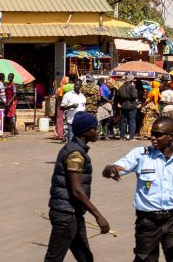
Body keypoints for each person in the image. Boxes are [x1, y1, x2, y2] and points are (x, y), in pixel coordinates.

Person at [102, 116, 173, 262]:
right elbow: (111, 170)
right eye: (152, 133)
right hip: (147, 222)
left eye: (158, 134)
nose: (152, 138)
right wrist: (109, 170)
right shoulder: (140, 155)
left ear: (171, 136)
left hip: (172, 220)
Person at [44, 112, 109, 262]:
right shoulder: (75, 154)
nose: (97, 131)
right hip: (66, 214)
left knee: (85, 257)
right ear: (86, 131)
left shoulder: (76, 149)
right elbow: (76, 190)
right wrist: (98, 215)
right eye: (94, 128)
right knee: (54, 258)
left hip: (73, 214)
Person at [117, 76, 139, 141]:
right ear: (131, 80)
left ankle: (122, 137)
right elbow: (135, 96)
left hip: (123, 105)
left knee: (123, 121)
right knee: (132, 121)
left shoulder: (121, 87)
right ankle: (131, 137)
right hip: (131, 105)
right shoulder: (132, 87)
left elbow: (118, 96)